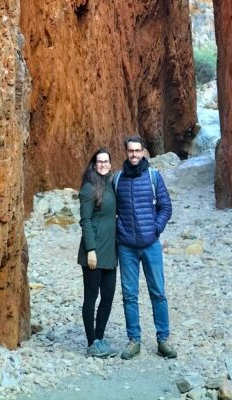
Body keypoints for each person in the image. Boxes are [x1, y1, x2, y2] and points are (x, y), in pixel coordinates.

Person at [114, 135, 176, 360]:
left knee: (158, 292)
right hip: (127, 247)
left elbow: (166, 207)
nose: (134, 155)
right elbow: (113, 210)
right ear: (126, 152)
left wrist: (155, 229)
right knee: (129, 295)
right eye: (130, 151)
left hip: (151, 245)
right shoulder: (118, 179)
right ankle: (134, 340)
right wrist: (119, 231)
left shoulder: (153, 177)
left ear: (143, 152)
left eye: (137, 151)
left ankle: (163, 340)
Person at [77, 149, 120, 357]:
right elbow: (85, 221)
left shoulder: (111, 185)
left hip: (110, 251)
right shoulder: (88, 189)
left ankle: (100, 338)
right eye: (99, 162)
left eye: (106, 161)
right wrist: (90, 250)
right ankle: (91, 342)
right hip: (93, 252)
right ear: (94, 165)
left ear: (111, 165)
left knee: (109, 295)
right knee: (91, 297)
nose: (103, 165)